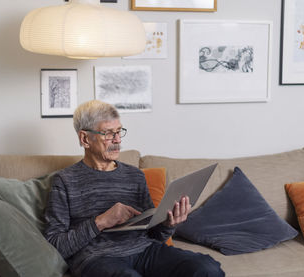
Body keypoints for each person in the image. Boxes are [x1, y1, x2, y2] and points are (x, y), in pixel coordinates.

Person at [44, 100, 225, 277]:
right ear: (85, 138)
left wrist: (169, 224)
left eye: (118, 132)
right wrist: (100, 221)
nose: (117, 141)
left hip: (145, 250)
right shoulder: (65, 181)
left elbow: (153, 234)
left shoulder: (134, 176)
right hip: (97, 257)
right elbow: (55, 244)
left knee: (207, 268)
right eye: (108, 133)